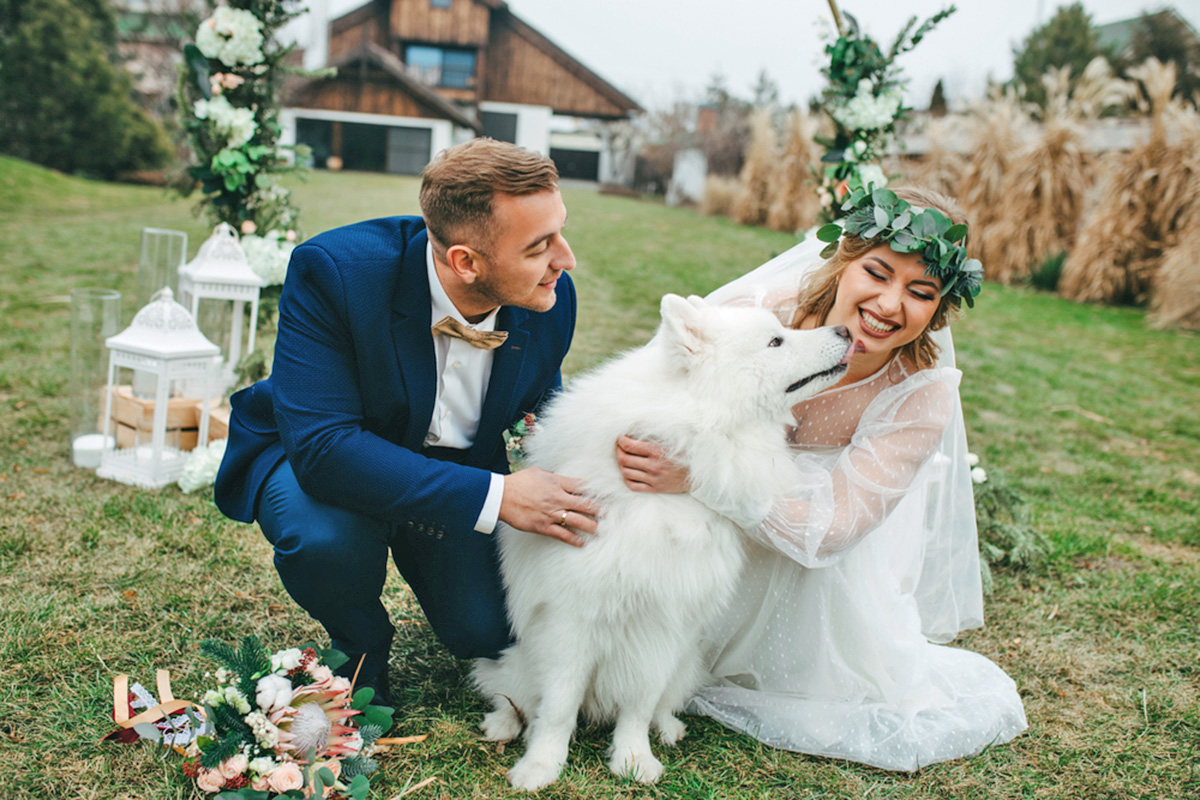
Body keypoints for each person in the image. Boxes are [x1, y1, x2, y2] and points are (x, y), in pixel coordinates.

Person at [616, 185, 1027, 771]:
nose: (890, 304)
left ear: (941, 306)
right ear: (842, 261)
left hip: (803, 556)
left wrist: (704, 477)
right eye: (878, 273)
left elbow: (829, 531)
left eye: (921, 292)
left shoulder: (919, 394)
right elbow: (657, 401)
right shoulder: (762, 313)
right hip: (694, 529)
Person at [214, 138, 599, 705]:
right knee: (323, 541)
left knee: (487, 632)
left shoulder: (550, 296)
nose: (565, 260)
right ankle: (360, 645)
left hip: (458, 473)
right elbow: (325, 449)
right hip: (325, 460)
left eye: (560, 232)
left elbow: (539, 408)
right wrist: (497, 497)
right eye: (540, 246)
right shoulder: (336, 272)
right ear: (465, 261)